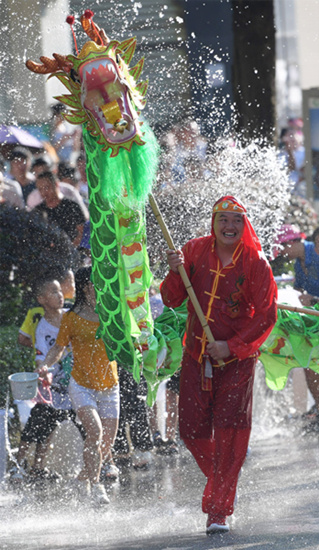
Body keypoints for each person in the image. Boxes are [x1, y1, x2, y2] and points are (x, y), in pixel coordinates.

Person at [160, 195, 277, 535]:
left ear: (245, 225)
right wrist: (173, 271)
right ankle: (223, 476)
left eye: (236, 220)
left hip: (237, 363)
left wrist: (232, 346)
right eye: (223, 219)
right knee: (191, 431)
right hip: (196, 356)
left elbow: (267, 316)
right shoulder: (193, 251)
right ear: (213, 222)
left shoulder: (256, 262)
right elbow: (171, 299)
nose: (229, 226)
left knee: (229, 435)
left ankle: (219, 512)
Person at [37, 267, 119, 505]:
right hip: (82, 385)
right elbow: (58, 348)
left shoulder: (111, 312)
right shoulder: (71, 318)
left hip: (110, 386)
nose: (105, 285)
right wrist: (45, 365)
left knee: (106, 444)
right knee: (95, 432)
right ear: (87, 287)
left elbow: (126, 341)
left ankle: (84, 476)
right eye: (99, 282)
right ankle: (96, 486)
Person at [11, 277, 83, 482]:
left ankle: (104, 464)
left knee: (88, 426)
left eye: (60, 291)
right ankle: (23, 465)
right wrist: (43, 371)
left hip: (78, 385)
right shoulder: (42, 328)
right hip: (54, 387)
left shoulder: (72, 316)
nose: (60, 295)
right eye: (53, 292)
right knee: (40, 426)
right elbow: (43, 358)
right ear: (41, 299)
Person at [275, 224, 319, 422]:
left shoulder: (315, 254)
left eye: (282, 248)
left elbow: (311, 297)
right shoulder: (298, 264)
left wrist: (315, 300)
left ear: (292, 243)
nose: (281, 254)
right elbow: (298, 291)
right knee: (309, 364)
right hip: (313, 323)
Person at [18, 267, 76, 350]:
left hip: (44, 359)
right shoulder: (72, 310)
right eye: (71, 281)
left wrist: (42, 347)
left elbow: (22, 339)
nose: (75, 285)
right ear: (61, 284)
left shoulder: (34, 310)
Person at [34, 170, 86, 247]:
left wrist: (70, 248)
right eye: (40, 189)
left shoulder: (71, 206)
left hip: (75, 251)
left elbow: (83, 232)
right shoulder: (38, 211)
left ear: (56, 184)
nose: (44, 192)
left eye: (46, 188)